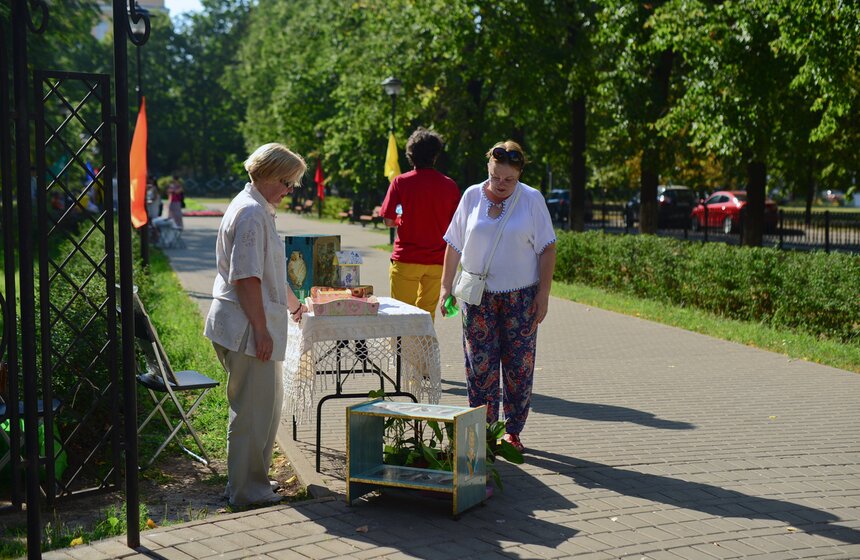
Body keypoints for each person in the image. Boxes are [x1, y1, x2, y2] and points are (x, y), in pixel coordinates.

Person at [203, 143, 307, 507]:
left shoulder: (258, 208)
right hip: (246, 327)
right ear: (265, 175)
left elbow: (270, 270)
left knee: (266, 407)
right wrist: (262, 330)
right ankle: (247, 491)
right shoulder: (250, 213)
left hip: (252, 323)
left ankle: (254, 482)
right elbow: (247, 278)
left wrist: (294, 305)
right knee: (251, 412)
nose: (290, 190)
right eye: (286, 181)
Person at [439, 140, 556, 454]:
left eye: (509, 179)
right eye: (495, 177)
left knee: (518, 366)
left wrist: (544, 294)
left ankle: (512, 431)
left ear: (519, 174)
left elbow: (547, 248)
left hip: (521, 298)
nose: (501, 185)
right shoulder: (470, 196)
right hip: (477, 298)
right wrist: (445, 286)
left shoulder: (531, 199)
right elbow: (454, 243)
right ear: (487, 170)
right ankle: (483, 431)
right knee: (479, 366)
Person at [380, 128, 460, 319]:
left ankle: (400, 350)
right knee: (425, 315)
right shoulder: (450, 185)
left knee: (400, 314)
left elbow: (388, 220)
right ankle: (423, 350)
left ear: (410, 155)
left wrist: (402, 218)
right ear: (435, 155)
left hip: (406, 259)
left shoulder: (400, 182)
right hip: (438, 261)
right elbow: (456, 226)